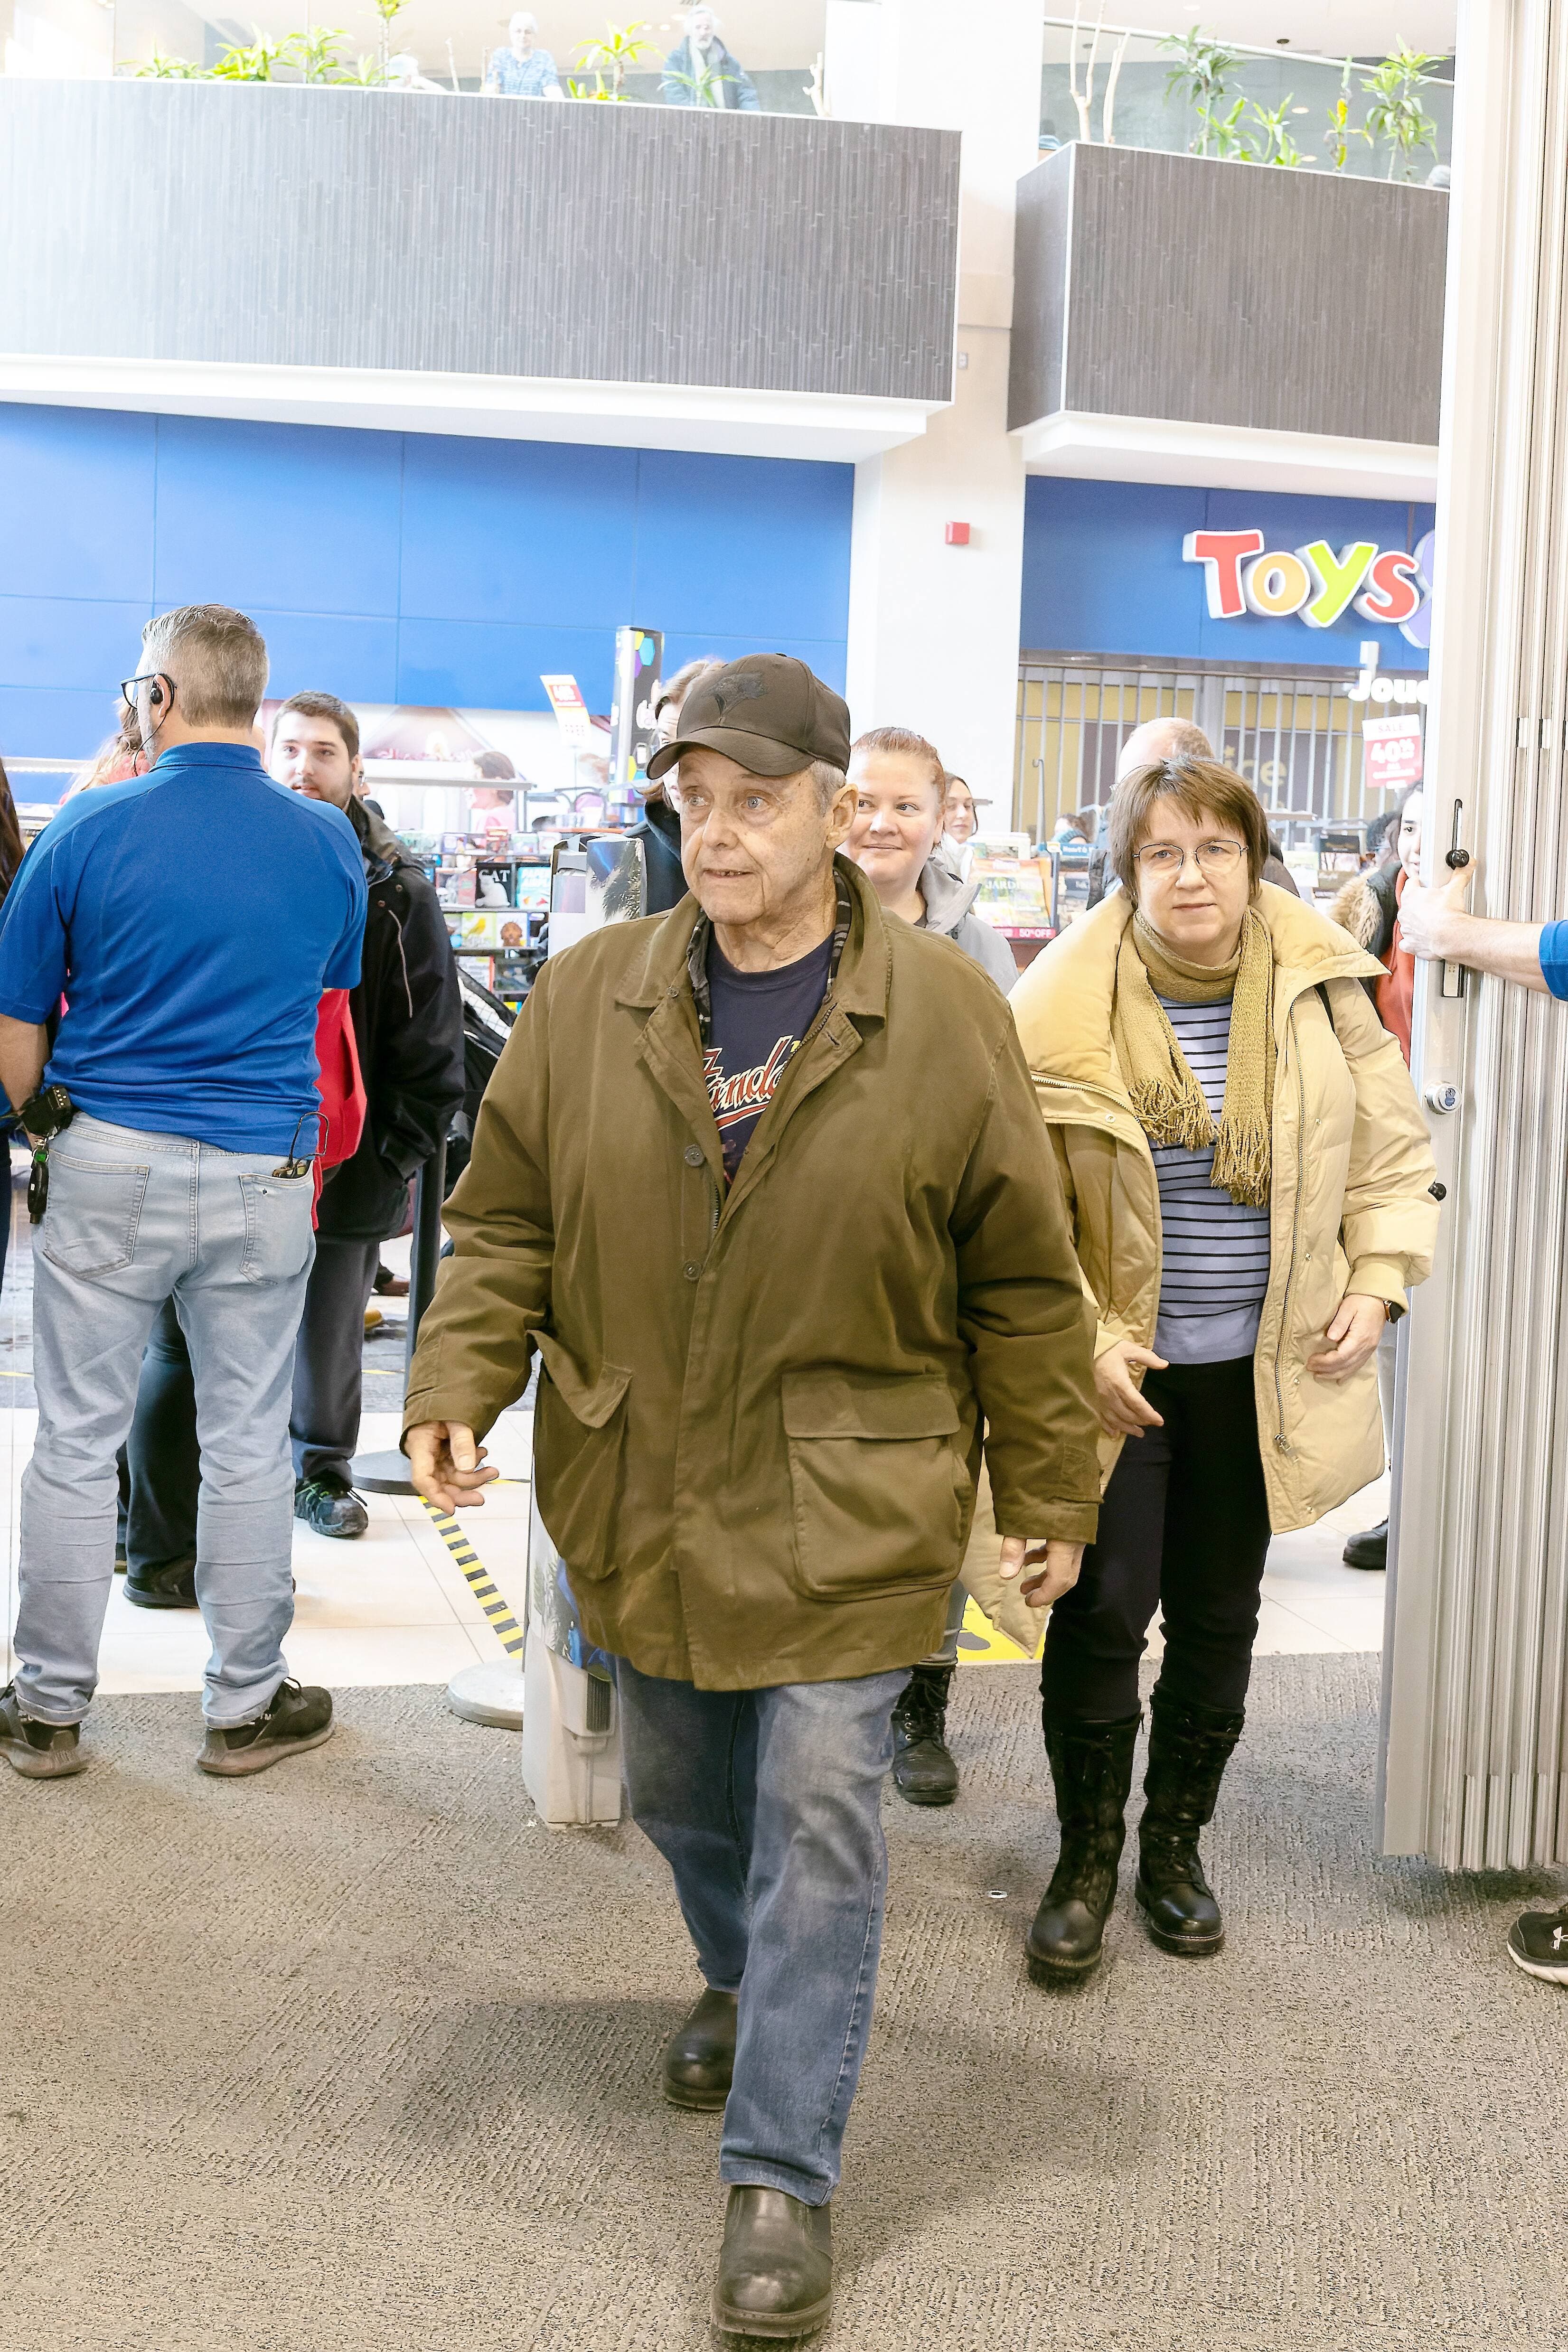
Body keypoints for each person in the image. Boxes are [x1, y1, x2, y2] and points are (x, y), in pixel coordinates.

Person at [401, 653, 1100, 2338]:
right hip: (638, 1478)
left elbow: (1021, 1277)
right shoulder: (589, 998)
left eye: (755, 803)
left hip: (854, 1499)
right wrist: (455, 1377)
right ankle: (736, 1968)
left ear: (835, 811)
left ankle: (780, 2166)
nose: (716, 836)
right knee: (685, 1793)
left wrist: (1049, 1482)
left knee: (816, 1814)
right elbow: (502, 1220)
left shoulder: (938, 1011)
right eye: (695, 804)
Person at [1009, 752, 1438, 1982]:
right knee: (1097, 1615)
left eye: (1212, 849)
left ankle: (1172, 1849)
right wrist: (1081, 1332)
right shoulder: (1056, 1009)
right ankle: (1082, 1857)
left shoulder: (1317, 994)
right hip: (1114, 1375)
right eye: (1160, 852)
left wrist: (1375, 1275)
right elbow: (1014, 1204)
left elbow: (1387, 1158)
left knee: (1216, 1616)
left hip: (1256, 1373)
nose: (1188, 875)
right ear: (1126, 870)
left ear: (1251, 862)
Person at [0, 605, 366, 1781]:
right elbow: (323, 1000)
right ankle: (242, 1704)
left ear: (155, 696)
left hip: (108, 1157)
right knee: (250, 1443)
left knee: (75, 1439)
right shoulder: (327, 843)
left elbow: (17, 1026)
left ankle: (49, 1710)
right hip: (267, 1171)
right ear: (255, 703)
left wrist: (44, 1120)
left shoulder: (91, 823)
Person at [845, 724, 1016, 1806]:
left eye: (903, 805)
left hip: (937, 1258)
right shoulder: (788, 919)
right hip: (817, 1256)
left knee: (936, 1480)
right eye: (861, 799)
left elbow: (1013, 1098)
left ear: (940, 815)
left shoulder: (974, 945)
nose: (878, 822)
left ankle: (921, 1694)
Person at [271, 693, 464, 1538]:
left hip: (350, 1155)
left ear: (356, 769)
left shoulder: (398, 891)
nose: (303, 768)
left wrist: (389, 1159)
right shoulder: (238, 860)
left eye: (322, 752)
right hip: (243, 1144)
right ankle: (210, 1486)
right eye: (288, 750)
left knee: (326, 1331)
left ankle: (320, 1473)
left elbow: (431, 1042)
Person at [1329, 783, 1422, 1573]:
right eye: (1410, 828)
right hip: (1382, 1149)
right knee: (1392, 1333)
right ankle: (1408, 1499)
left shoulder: (1470, 923)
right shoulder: (1363, 915)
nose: (1421, 844)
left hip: (1471, 1152)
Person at [1086, 719, 1299, 908]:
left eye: (1214, 850)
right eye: (1162, 854)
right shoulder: (1117, 848)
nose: (1191, 879)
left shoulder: (1266, 874)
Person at [626, 656, 725, 916]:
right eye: (665, 742)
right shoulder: (629, 857)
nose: (675, 767)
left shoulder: (766, 848)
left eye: (693, 746)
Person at [661, 6, 760, 109]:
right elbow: (675, 95)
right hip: (690, 122)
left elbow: (747, 93)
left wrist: (752, 118)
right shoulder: (675, 61)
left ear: (714, 30)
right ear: (689, 30)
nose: (703, 33)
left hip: (726, 122)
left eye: (707, 28)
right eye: (698, 28)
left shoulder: (729, 62)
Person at [484, 10, 562, 96]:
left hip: (534, 109)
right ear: (511, 34)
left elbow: (552, 89)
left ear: (535, 35)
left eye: (528, 32)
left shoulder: (544, 58)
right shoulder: (501, 56)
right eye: (518, 31)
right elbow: (491, 90)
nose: (523, 36)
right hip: (504, 108)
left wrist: (563, 106)